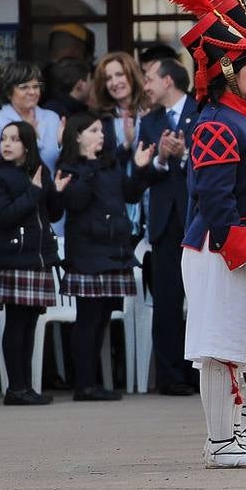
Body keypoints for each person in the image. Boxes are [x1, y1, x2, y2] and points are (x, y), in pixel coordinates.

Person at [166, 0, 246, 469]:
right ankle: (220, 440)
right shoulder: (216, 122)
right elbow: (213, 200)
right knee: (220, 344)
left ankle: (236, 431)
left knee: (240, 341)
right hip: (220, 250)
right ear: (230, 69)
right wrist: (243, 250)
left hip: (241, 247)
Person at [56, 112, 153, 401]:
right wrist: (86, 164)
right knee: (87, 319)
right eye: (93, 130)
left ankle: (93, 383)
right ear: (77, 136)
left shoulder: (110, 165)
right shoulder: (70, 167)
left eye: (101, 130)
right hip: (87, 254)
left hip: (115, 251)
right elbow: (74, 202)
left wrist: (139, 168)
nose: (101, 134)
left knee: (103, 318)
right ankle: (84, 384)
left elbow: (131, 195)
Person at [0, 121, 68, 405]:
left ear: (27, 145)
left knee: (29, 323)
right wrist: (32, 191)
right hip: (15, 259)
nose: (6, 144)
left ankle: (26, 388)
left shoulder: (37, 172)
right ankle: (15, 388)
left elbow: (53, 214)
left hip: (39, 257)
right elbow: (4, 216)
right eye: (4, 139)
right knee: (16, 323)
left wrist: (53, 189)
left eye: (14, 139)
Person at [137, 57, 199, 395]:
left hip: (197, 219)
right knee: (167, 302)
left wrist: (186, 152)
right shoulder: (150, 123)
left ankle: (198, 373)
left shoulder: (201, 111)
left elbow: (211, 160)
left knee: (200, 299)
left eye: (149, 78)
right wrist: (161, 157)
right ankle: (171, 376)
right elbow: (140, 175)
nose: (145, 85)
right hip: (163, 222)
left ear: (168, 81)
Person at [91, 51, 149, 165]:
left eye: (120, 74)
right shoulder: (99, 119)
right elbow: (101, 164)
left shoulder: (152, 110)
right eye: (108, 78)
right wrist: (127, 143)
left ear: (132, 75)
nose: (114, 82)